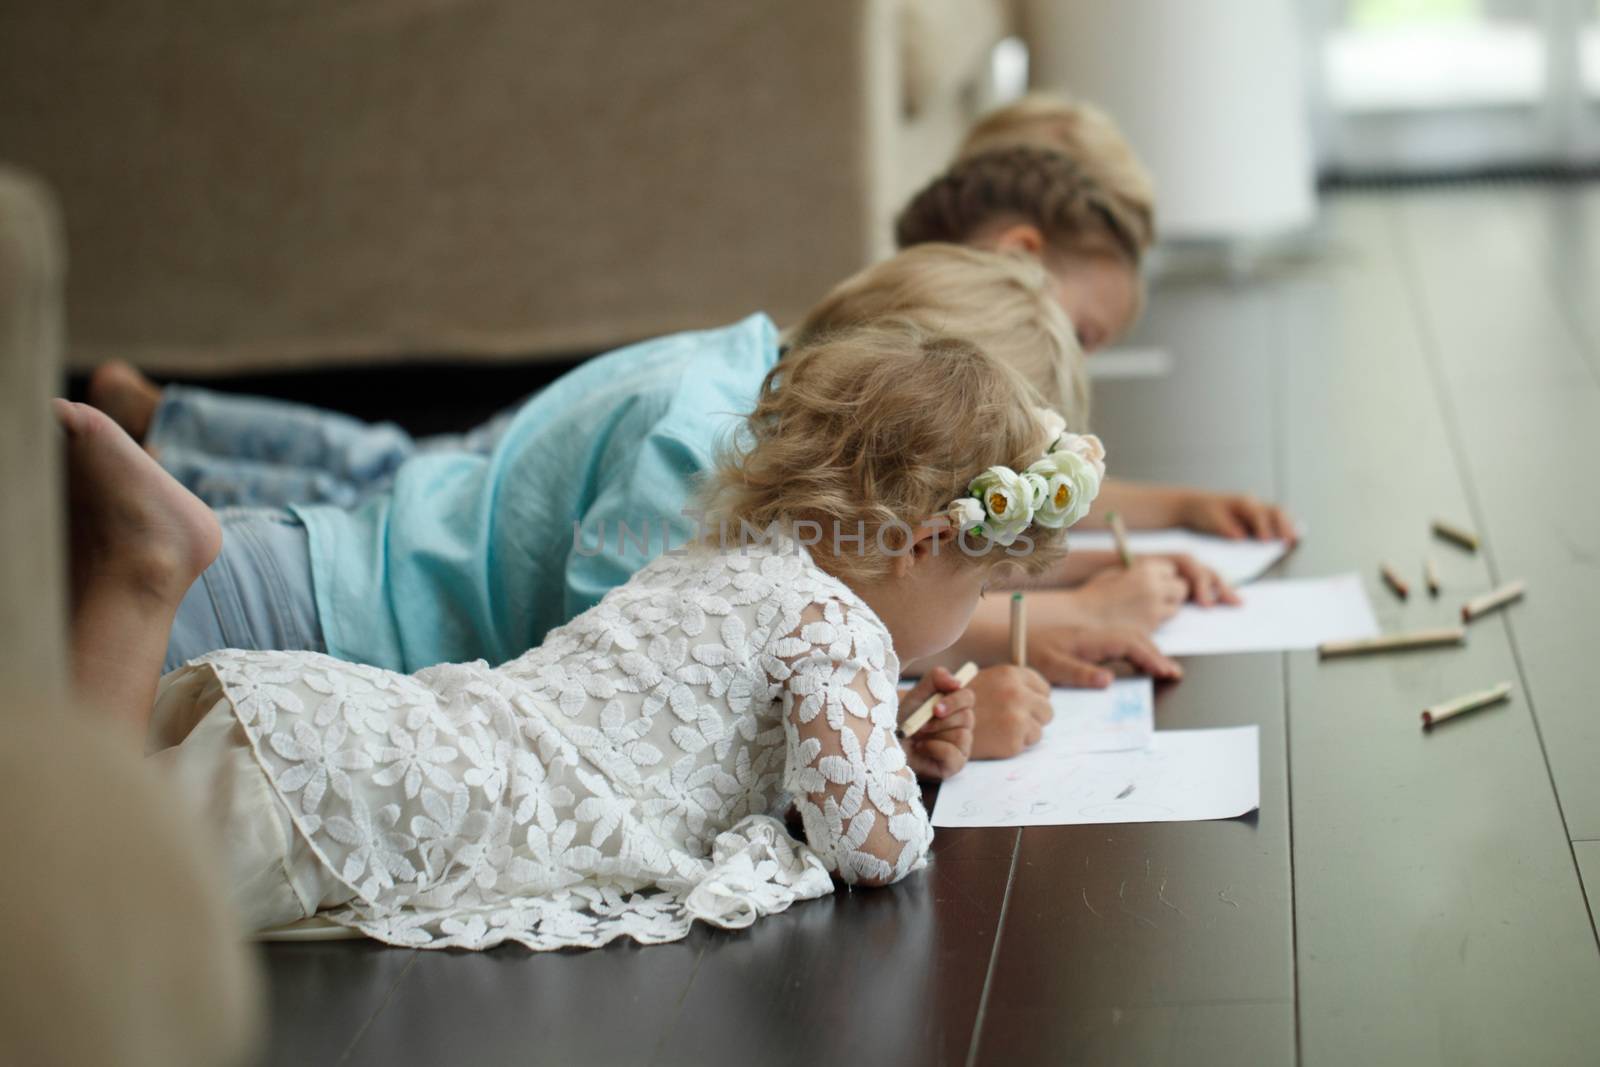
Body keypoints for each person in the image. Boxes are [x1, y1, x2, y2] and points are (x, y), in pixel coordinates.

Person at [57, 319, 1101, 950]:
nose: (975, 613)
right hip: (392, 806)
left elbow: (704, 739)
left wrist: (884, 733)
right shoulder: (834, 623)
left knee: (77, 822)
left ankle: (141, 567)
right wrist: (898, 784)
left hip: (385, 734)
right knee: (71, 893)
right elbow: (869, 848)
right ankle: (143, 570)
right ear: (921, 543)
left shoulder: (716, 555)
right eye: (984, 579)